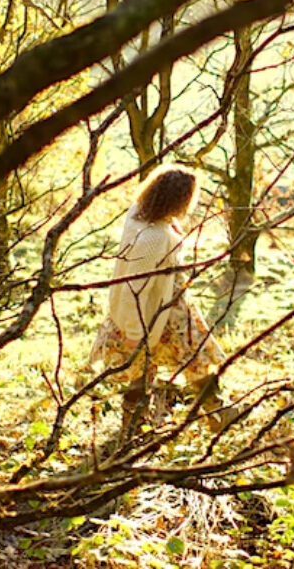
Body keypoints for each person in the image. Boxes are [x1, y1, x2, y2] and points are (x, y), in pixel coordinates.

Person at [91, 164, 229, 421]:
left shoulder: (141, 214)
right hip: (153, 310)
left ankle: (216, 413)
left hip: (167, 303)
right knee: (156, 364)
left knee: (171, 361)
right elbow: (136, 288)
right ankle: (216, 413)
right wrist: (135, 331)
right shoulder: (153, 237)